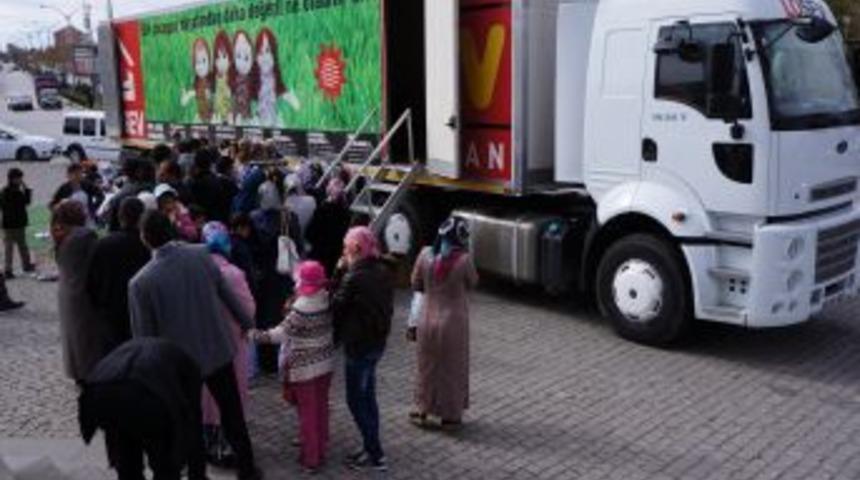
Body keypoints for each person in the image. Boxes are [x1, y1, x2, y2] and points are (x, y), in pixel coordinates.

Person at [128, 211, 262, 480]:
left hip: (180, 365)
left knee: (190, 422)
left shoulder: (141, 282)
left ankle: (198, 475)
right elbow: (228, 295)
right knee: (232, 413)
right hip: (217, 348)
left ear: (144, 238)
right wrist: (248, 324)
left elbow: (145, 338)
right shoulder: (201, 254)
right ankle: (247, 470)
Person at [79, 338, 202, 480]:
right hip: (143, 394)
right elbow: (193, 427)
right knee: (164, 464)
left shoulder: (163, 353)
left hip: (100, 394)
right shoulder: (190, 368)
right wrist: (196, 473)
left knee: (127, 458)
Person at [253, 261, 334, 474]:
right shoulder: (326, 298)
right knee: (321, 408)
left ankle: (311, 458)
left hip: (305, 369)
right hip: (325, 365)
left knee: (308, 414)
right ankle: (322, 448)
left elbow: (279, 335)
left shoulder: (301, 307)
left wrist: (253, 335)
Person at [331, 227, 394, 472]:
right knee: (368, 398)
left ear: (356, 249)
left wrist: (339, 271)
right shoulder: (382, 271)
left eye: (346, 247)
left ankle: (376, 454)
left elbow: (335, 305)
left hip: (359, 345)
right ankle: (370, 447)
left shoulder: (353, 277)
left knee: (356, 401)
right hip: (376, 343)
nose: (343, 252)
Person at [408, 217, 479, 429]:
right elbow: (473, 282)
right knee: (452, 368)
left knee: (426, 366)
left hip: (426, 320)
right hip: (453, 323)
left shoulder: (424, 255)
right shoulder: (464, 261)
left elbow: (415, 283)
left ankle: (422, 410)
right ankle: (450, 417)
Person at [199, 222, 255, 467]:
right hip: (230, 342)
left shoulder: (195, 270)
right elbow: (248, 309)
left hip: (201, 342)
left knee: (205, 396)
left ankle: (206, 444)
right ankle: (228, 448)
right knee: (230, 396)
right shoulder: (233, 273)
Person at [52, 200, 108, 383]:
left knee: (72, 335)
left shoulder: (61, 233)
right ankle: (89, 372)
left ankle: (76, 371)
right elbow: (97, 261)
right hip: (83, 289)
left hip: (66, 289)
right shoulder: (85, 236)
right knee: (86, 336)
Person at [86, 198, 151, 353]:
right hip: (142, 309)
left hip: (111, 312)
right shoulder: (148, 244)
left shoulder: (104, 244)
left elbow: (91, 283)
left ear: (120, 217)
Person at [306, 178, 351, 275]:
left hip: (319, 252)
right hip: (334, 253)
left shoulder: (322, 209)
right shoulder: (346, 212)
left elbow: (310, 232)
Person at [0, 168, 35, 277]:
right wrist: (26, 188)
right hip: (13, 224)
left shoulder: (6, 191)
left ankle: (14, 268)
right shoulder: (11, 192)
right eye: (19, 178)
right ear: (13, 179)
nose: (20, 180)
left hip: (12, 223)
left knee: (18, 246)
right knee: (14, 247)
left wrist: (25, 188)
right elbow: (27, 202)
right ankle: (15, 268)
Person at [187, 148, 232, 223]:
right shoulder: (219, 180)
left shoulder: (192, 181)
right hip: (217, 217)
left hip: (199, 219)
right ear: (210, 163)